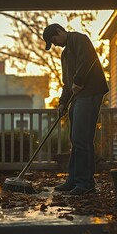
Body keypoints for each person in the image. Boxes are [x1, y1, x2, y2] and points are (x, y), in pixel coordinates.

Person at [42, 23, 109, 195]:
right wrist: (62, 102)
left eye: (54, 40)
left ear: (59, 31)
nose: (55, 44)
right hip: (78, 97)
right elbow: (67, 83)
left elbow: (86, 61)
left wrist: (78, 81)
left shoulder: (80, 39)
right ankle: (73, 180)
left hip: (90, 93)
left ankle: (85, 183)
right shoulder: (64, 55)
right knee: (75, 139)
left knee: (82, 139)